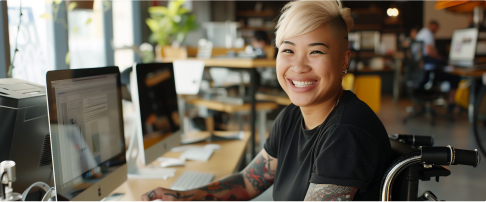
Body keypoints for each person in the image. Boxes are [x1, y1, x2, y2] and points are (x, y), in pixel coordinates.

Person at [141, 0, 392, 201]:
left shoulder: (346, 133)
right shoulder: (293, 116)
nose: (299, 66)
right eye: (288, 50)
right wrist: (182, 196)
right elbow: (249, 181)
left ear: (343, 60)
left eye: (315, 51)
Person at [415, 20, 460, 112]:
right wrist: (442, 59)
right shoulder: (428, 34)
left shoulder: (421, 33)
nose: (436, 30)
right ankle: (451, 103)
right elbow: (429, 51)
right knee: (454, 76)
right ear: (432, 26)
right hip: (429, 71)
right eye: (436, 28)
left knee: (445, 67)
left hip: (420, 72)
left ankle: (448, 101)